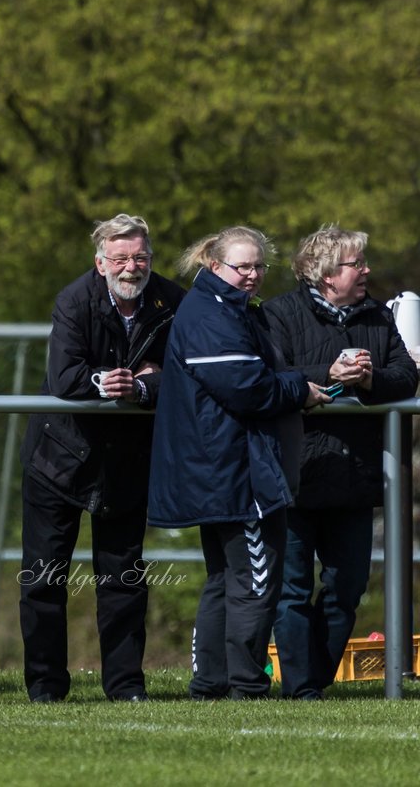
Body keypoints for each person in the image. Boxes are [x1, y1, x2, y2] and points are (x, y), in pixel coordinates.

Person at [148, 226, 330, 700]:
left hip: (225, 466)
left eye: (258, 266)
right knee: (254, 581)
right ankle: (245, 686)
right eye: (242, 266)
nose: (252, 275)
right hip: (234, 469)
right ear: (215, 267)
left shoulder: (226, 308)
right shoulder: (211, 313)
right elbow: (245, 387)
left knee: (224, 580)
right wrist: (299, 391)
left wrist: (306, 379)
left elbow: (259, 374)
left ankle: (211, 684)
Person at [17, 214, 185, 704]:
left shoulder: (173, 302)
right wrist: (101, 382)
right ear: (100, 262)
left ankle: (127, 686)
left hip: (126, 460)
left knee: (125, 579)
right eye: (121, 258)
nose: (131, 267)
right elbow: (64, 375)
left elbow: (185, 373)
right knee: (43, 579)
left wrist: (143, 385)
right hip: (57, 459)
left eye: (140, 257)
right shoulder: (74, 300)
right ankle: (46, 687)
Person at [266, 226, 418, 700]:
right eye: (357, 263)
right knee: (291, 591)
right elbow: (269, 375)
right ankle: (301, 689)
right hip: (295, 473)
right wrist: (326, 373)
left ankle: (316, 678)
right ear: (326, 274)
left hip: (355, 476)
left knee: (346, 589)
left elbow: (406, 377)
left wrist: (370, 381)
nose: (367, 270)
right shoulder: (279, 314)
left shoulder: (377, 315)